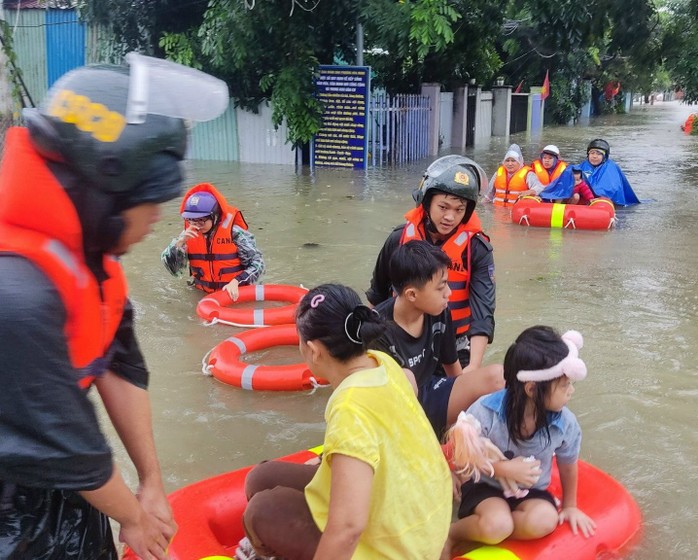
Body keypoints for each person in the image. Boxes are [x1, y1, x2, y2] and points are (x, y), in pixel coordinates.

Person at [0, 54, 228, 559]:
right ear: (104, 190)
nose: (158, 217)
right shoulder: (16, 293)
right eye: (149, 199)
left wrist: (150, 483)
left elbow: (119, 364)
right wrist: (132, 516)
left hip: (69, 488)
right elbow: (65, 441)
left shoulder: (94, 264)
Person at [238, 284, 452, 559]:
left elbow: (349, 527)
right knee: (261, 478)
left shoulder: (349, 405)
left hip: (395, 550)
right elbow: (394, 408)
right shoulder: (382, 362)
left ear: (314, 350)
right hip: (421, 521)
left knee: (261, 511)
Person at [444, 326, 596, 555]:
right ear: (532, 389)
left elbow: (567, 464)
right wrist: (501, 469)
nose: (571, 391)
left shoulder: (565, 423)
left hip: (530, 490)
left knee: (545, 521)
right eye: (564, 385)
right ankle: (453, 534)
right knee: (498, 524)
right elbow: (463, 458)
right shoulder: (485, 411)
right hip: (486, 486)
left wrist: (570, 506)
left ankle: (487, 534)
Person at [367, 155, 495, 371]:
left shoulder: (477, 249)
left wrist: (473, 367)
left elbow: (483, 312)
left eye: (459, 210)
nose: (450, 217)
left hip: (454, 345)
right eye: (443, 207)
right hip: (401, 342)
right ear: (427, 202)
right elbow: (377, 295)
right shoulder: (398, 239)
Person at [371, 240, 504, 439]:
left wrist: (464, 416)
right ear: (412, 294)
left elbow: (453, 370)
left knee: (497, 376)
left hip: (431, 393)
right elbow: (380, 402)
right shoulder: (377, 331)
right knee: (406, 380)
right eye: (441, 287)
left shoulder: (439, 313)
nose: (449, 293)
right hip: (399, 412)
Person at [161, 183, 264, 300]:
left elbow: (258, 264)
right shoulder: (186, 236)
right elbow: (175, 271)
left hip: (233, 294)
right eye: (191, 220)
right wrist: (179, 244)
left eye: (201, 221)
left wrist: (237, 281)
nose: (196, 226)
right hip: (202, 294)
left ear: (214, 216)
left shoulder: (234, 233)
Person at [539, 139, 639, 206]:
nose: (594, 156)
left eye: (598, 154)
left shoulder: (610, 167)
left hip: (599, 202)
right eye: (592, 153)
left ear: (604, 156)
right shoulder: (581, 167)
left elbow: (611, 188)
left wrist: (593, 193)